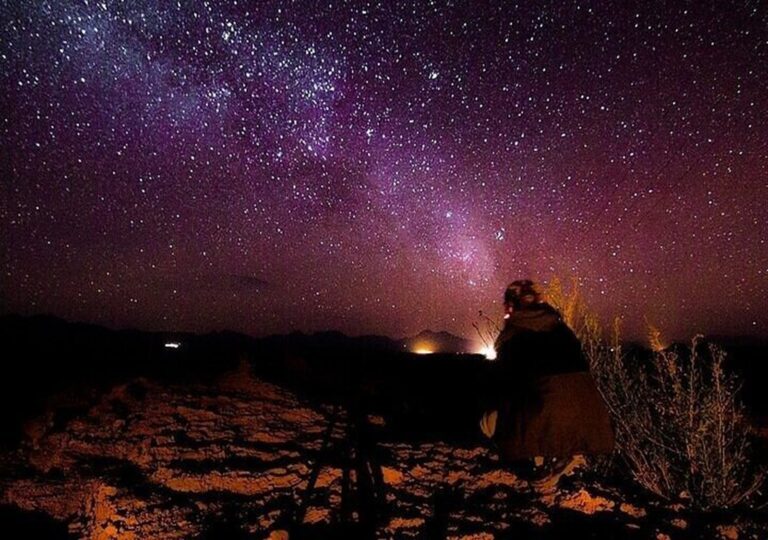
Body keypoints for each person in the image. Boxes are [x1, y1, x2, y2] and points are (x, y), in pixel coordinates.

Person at [480, 279, 614, 489]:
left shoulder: (513, 333)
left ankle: (539, 460)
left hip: (547, 413)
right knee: (544, 401)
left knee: (494, 417)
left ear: (510, 305)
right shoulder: (560, 327)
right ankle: (560, 454)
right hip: (589, 417)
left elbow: (504, 383)